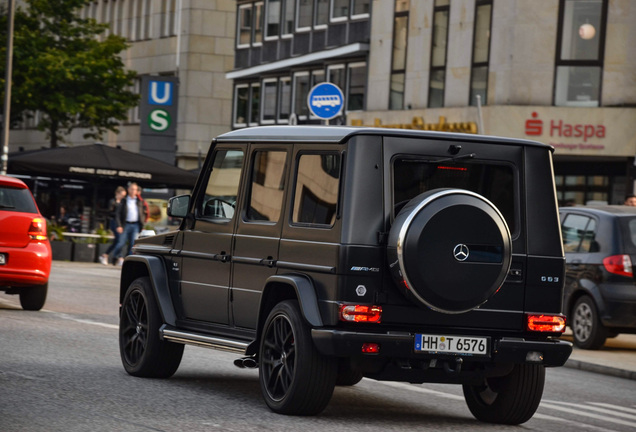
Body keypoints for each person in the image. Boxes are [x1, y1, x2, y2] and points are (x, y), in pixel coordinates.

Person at [111, 182, 148, 266]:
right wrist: (119, 225)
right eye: (131, 189)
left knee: (133, 244)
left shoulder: (140, 201)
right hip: (125, 224)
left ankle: (128, 261)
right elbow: (117, 214)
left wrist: (142, 225)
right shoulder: (124, 201)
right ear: (128, 190)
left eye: (134, 189)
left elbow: (143, 213)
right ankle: (115, 256)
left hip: (135, 225)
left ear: (136, 191)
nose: (133, 191)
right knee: (121, 243)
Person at [99, 186, 126, 265]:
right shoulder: (112, 201)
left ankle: (105, 255)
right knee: (119, 240)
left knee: (117, 241)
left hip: (120, 223)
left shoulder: (123, 202)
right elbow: (110, 212)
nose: (123, 197)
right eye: (122, 195)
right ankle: (120, 258)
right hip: (114, 222)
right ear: (117, 193)